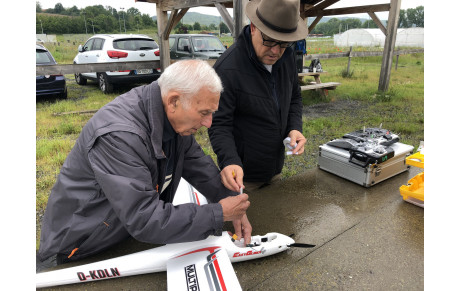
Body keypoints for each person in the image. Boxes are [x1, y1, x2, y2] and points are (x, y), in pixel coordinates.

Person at [37, 60, 252, 271]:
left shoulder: (175, 122)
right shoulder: (120, 136)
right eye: (204, 112)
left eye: (212, 112)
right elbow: (144, 218)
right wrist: (218, 214)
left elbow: (199, 166)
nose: (209, 123)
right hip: (80, 247)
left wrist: (231, 200)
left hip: (120, 232)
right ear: (174, 101)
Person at [208, 0, 309, 193]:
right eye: (269, 40)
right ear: (253, 27)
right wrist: (229, 161)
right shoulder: (227, 69)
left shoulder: (286, 57)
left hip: (275, 167)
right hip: (244, 176)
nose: (275, 51)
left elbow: (294, 97)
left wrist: (295, 127)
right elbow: (219, 124)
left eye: (283, 43)